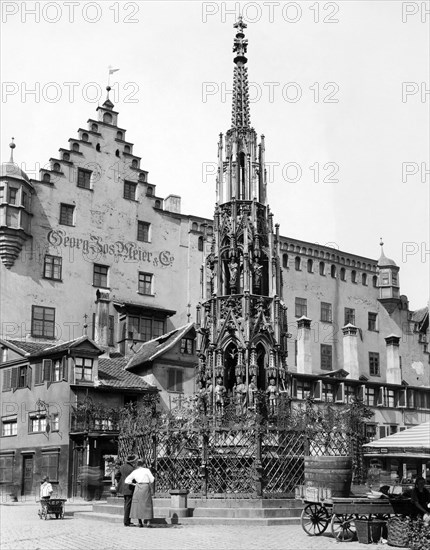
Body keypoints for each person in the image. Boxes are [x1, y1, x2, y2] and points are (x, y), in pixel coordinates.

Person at [125, 459, 155, 528]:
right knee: (147, 504)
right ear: (144, 464)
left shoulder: (135, 471)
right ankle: (148, 522)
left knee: (138, 505)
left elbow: (127, 480)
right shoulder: (146, 470)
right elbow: (152, 479)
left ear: (137, 465)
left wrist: (134, 484)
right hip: (145, 487)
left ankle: (140, 522)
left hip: (138, 487)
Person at [115, 454, 137, 526]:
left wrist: (120, 482)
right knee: (128, 504)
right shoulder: (132, 469)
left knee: (126, 503)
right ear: (133, 461)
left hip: (123, 487)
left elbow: (116, 475)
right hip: (129, 487)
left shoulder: (122, 467)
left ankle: (127, 520)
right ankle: (126, 521)